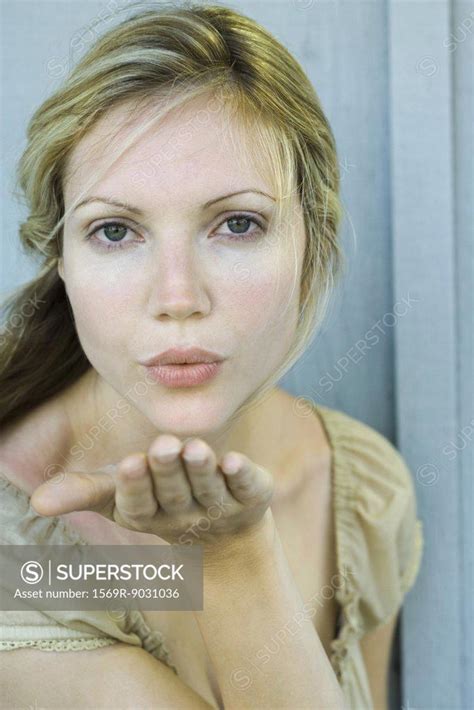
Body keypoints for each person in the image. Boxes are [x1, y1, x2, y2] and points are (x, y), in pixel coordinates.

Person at [0, 3, 424, 708]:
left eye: (237, 223)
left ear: (313, 247)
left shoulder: (362, 491)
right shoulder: (19, 549)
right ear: (62, 262)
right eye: (114, 231)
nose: (178, 295)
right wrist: (229, 555)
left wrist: (222, 549)